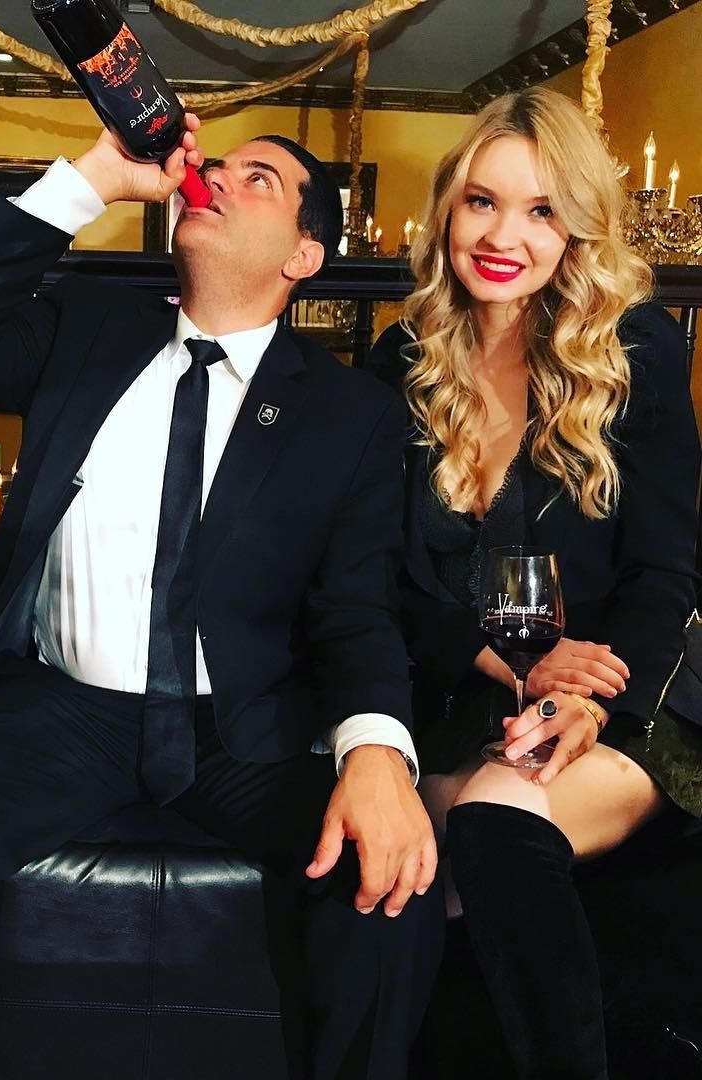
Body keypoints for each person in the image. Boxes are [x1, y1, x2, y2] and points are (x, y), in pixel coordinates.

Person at [0, 116, 444, 1080]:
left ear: (304, 255)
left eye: (260, 178)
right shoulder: (89, 331)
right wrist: (94, 178)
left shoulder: (350, 413)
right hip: (58, 706)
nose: (219, 178)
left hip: (241, 722)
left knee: (389, 886)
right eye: (219, 165)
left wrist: (377, 753)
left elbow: (357, 607)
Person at [365, 86, 701, 1078]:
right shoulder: (400, 362)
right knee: (408, 876)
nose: (503, 235)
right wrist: (503, 664)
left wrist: (590, 699)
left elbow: (664, 571)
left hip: (627, 698)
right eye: (482, 201)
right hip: (460, 695)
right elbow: (377, 577)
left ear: (577, 229)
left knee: (493, 822)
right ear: (448, 209)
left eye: (542, 210)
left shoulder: (636, 349)